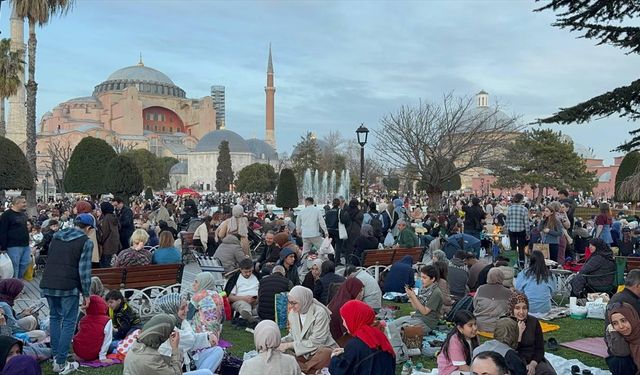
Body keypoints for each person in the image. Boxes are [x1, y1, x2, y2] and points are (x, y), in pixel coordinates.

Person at [40, 213, 96, 374]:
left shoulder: (57, 235)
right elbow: (84, 271)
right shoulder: (85, 241)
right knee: (69, 322)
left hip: (48, 282)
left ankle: (56, 355)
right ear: (88, 228)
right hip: (68, 285)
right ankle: (61, 362)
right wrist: (86, 294)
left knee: (55, 318)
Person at [156, 293, 224, 373]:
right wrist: (207, 337)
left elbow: (192, 338)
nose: (187, 310)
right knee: (206, 373)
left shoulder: (182, 322)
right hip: (172, 371)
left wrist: (208, 336)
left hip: (185, 364)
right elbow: (191, 341)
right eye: (182, 308)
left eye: (186, 306)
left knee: (218, 350)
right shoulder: (166, 328)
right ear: (172, 310)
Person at [123, 314, 212, 375]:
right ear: (162, 335)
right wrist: (175, 349)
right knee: (207, 373)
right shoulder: (151, 358)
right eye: (169, 331)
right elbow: (176, 373)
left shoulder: (137, 345)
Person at [388, 265, 443, 361]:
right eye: (421, 277)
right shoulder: (424, 288)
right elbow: (415, 307)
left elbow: (425, 312)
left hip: (427, 322)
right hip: (416, 317)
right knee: (391, 325)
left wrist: (413, 296)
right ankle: (387, 344)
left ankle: (397, 351)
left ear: (433, 279)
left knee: (398, 331)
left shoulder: (436, 293)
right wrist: (410, 296)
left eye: (425, 278)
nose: (422, 280)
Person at [278, 286, 338, 373]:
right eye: (289, 302)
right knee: (280, 353)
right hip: (304, 353)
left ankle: (302, 369)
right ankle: (311, 370)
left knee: (326, 353)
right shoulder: (293, 313)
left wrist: (289, 345)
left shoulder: (319, 313)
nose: (291, 306)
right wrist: (280, 342)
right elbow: (293, 335)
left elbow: (317, 341)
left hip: (318, 351)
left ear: (304, 301)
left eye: (294, 303)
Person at [328, 300, 395, 375]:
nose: (343, 324)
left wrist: (334, 358)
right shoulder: (379, 335)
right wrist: (346, 352)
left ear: (354, 319)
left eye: (344, 319)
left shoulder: (355, 344)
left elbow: (340, 372)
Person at [509, 292, 556, 375]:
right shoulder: (507, 324)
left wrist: (533, 364)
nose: (521, 312)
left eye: (524, 308)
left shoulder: (533, 321)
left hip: (533, 359)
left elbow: (540, 348)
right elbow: (509, 351)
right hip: (514, 360)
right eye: (517, 308)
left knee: (548, 373)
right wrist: (519, 334)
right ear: (512, 308)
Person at [437, 310, 480, 375]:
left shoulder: (474, 337)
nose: (475, 328)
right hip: (450, 371)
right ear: (460, 328)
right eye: (470, 325)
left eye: (475, 324)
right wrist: (478, 372)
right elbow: (462, 367)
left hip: (465, 368)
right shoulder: (455, 341)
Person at [515, 250, 556, 316]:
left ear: (530, 261)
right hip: (545, 310)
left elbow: (518, 290)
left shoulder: (524, 273)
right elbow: (553, 292)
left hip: (528, 309)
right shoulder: (550, 275)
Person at [72, 295, 112, 362]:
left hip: (79, 352)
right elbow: (107, 340)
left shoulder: (83, 319)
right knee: (112, 345)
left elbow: (80, 334)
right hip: (94, 352)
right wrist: (102, 357)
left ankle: (81, 356)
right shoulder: (107, 321)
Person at [605, 302, 640, 375]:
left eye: (623, 320)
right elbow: (621, 352)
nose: (621, 326)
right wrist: (613, 333)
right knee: (618, 361)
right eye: (615, 323)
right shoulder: (623, 335)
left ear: (632, 317)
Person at [188, 272, 225, 341]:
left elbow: (188, 314)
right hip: (215, 333)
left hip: (201, 334)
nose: (193, 284)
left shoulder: (198, 296)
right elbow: (223, 317)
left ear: (203, 283)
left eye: (196, 282)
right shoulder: (218, 295)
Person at [473, 269, 512, 333]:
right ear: (502, 277)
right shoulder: (508, 292)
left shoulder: (480, 289)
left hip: (479, 325)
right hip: (498, 327)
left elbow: (475, 304)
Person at [0, 197, 30, 278]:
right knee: (15, 266)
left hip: (25, 244)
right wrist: (3, 247)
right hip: (13, 245)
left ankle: (18, 282)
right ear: (17, 203)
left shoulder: (23, 214)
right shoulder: (6, 215)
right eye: (23, 202)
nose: (25, 204)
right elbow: (2, 231)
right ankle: (15, 287)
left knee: (26, 262)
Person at [328, 278, 364, 342]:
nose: (362, 294)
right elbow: (349, 330)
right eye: (360, 290)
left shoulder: (337, 300)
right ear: (353, 290)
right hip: (339, 341)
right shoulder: (345, 306)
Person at [226, 258, 260, 323]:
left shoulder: (257, 277)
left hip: (255, 301)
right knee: (244, 305)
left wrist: (257, 299)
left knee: (262, 304)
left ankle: (253, 315)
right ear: (241, 269)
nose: (248, 274)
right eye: (245, 272)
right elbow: (230, 297)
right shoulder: (235, 279)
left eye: (250, 271)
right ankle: (249, 317)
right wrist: (244, 298)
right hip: (240, 301)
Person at [506, 194, 530, 269]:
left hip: (512, 230)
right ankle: (522, 263)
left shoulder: (510, 208)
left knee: (513, 247)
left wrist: (507, 230)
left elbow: (507, 220)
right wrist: (528, 232)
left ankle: (513, 263)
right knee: (521, 247)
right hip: (521, 230)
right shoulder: (524, 209)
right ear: (521, 200)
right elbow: (526, 222)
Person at [98, 201, 120, 268]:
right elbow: (119, 227)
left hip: (107, 245)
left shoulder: (106, 218)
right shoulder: (114, 216)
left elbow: (105, 232)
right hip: (115, 244)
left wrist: (100, 241)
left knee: (105, 265)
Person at [343, 199, 363, 265]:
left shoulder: (346, 212)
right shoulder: (359, 212)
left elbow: (344, 221)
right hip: (357, 231)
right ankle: (354, 261)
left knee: (347, 247)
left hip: (347, 231)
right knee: (355, 246)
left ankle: (348, 261)